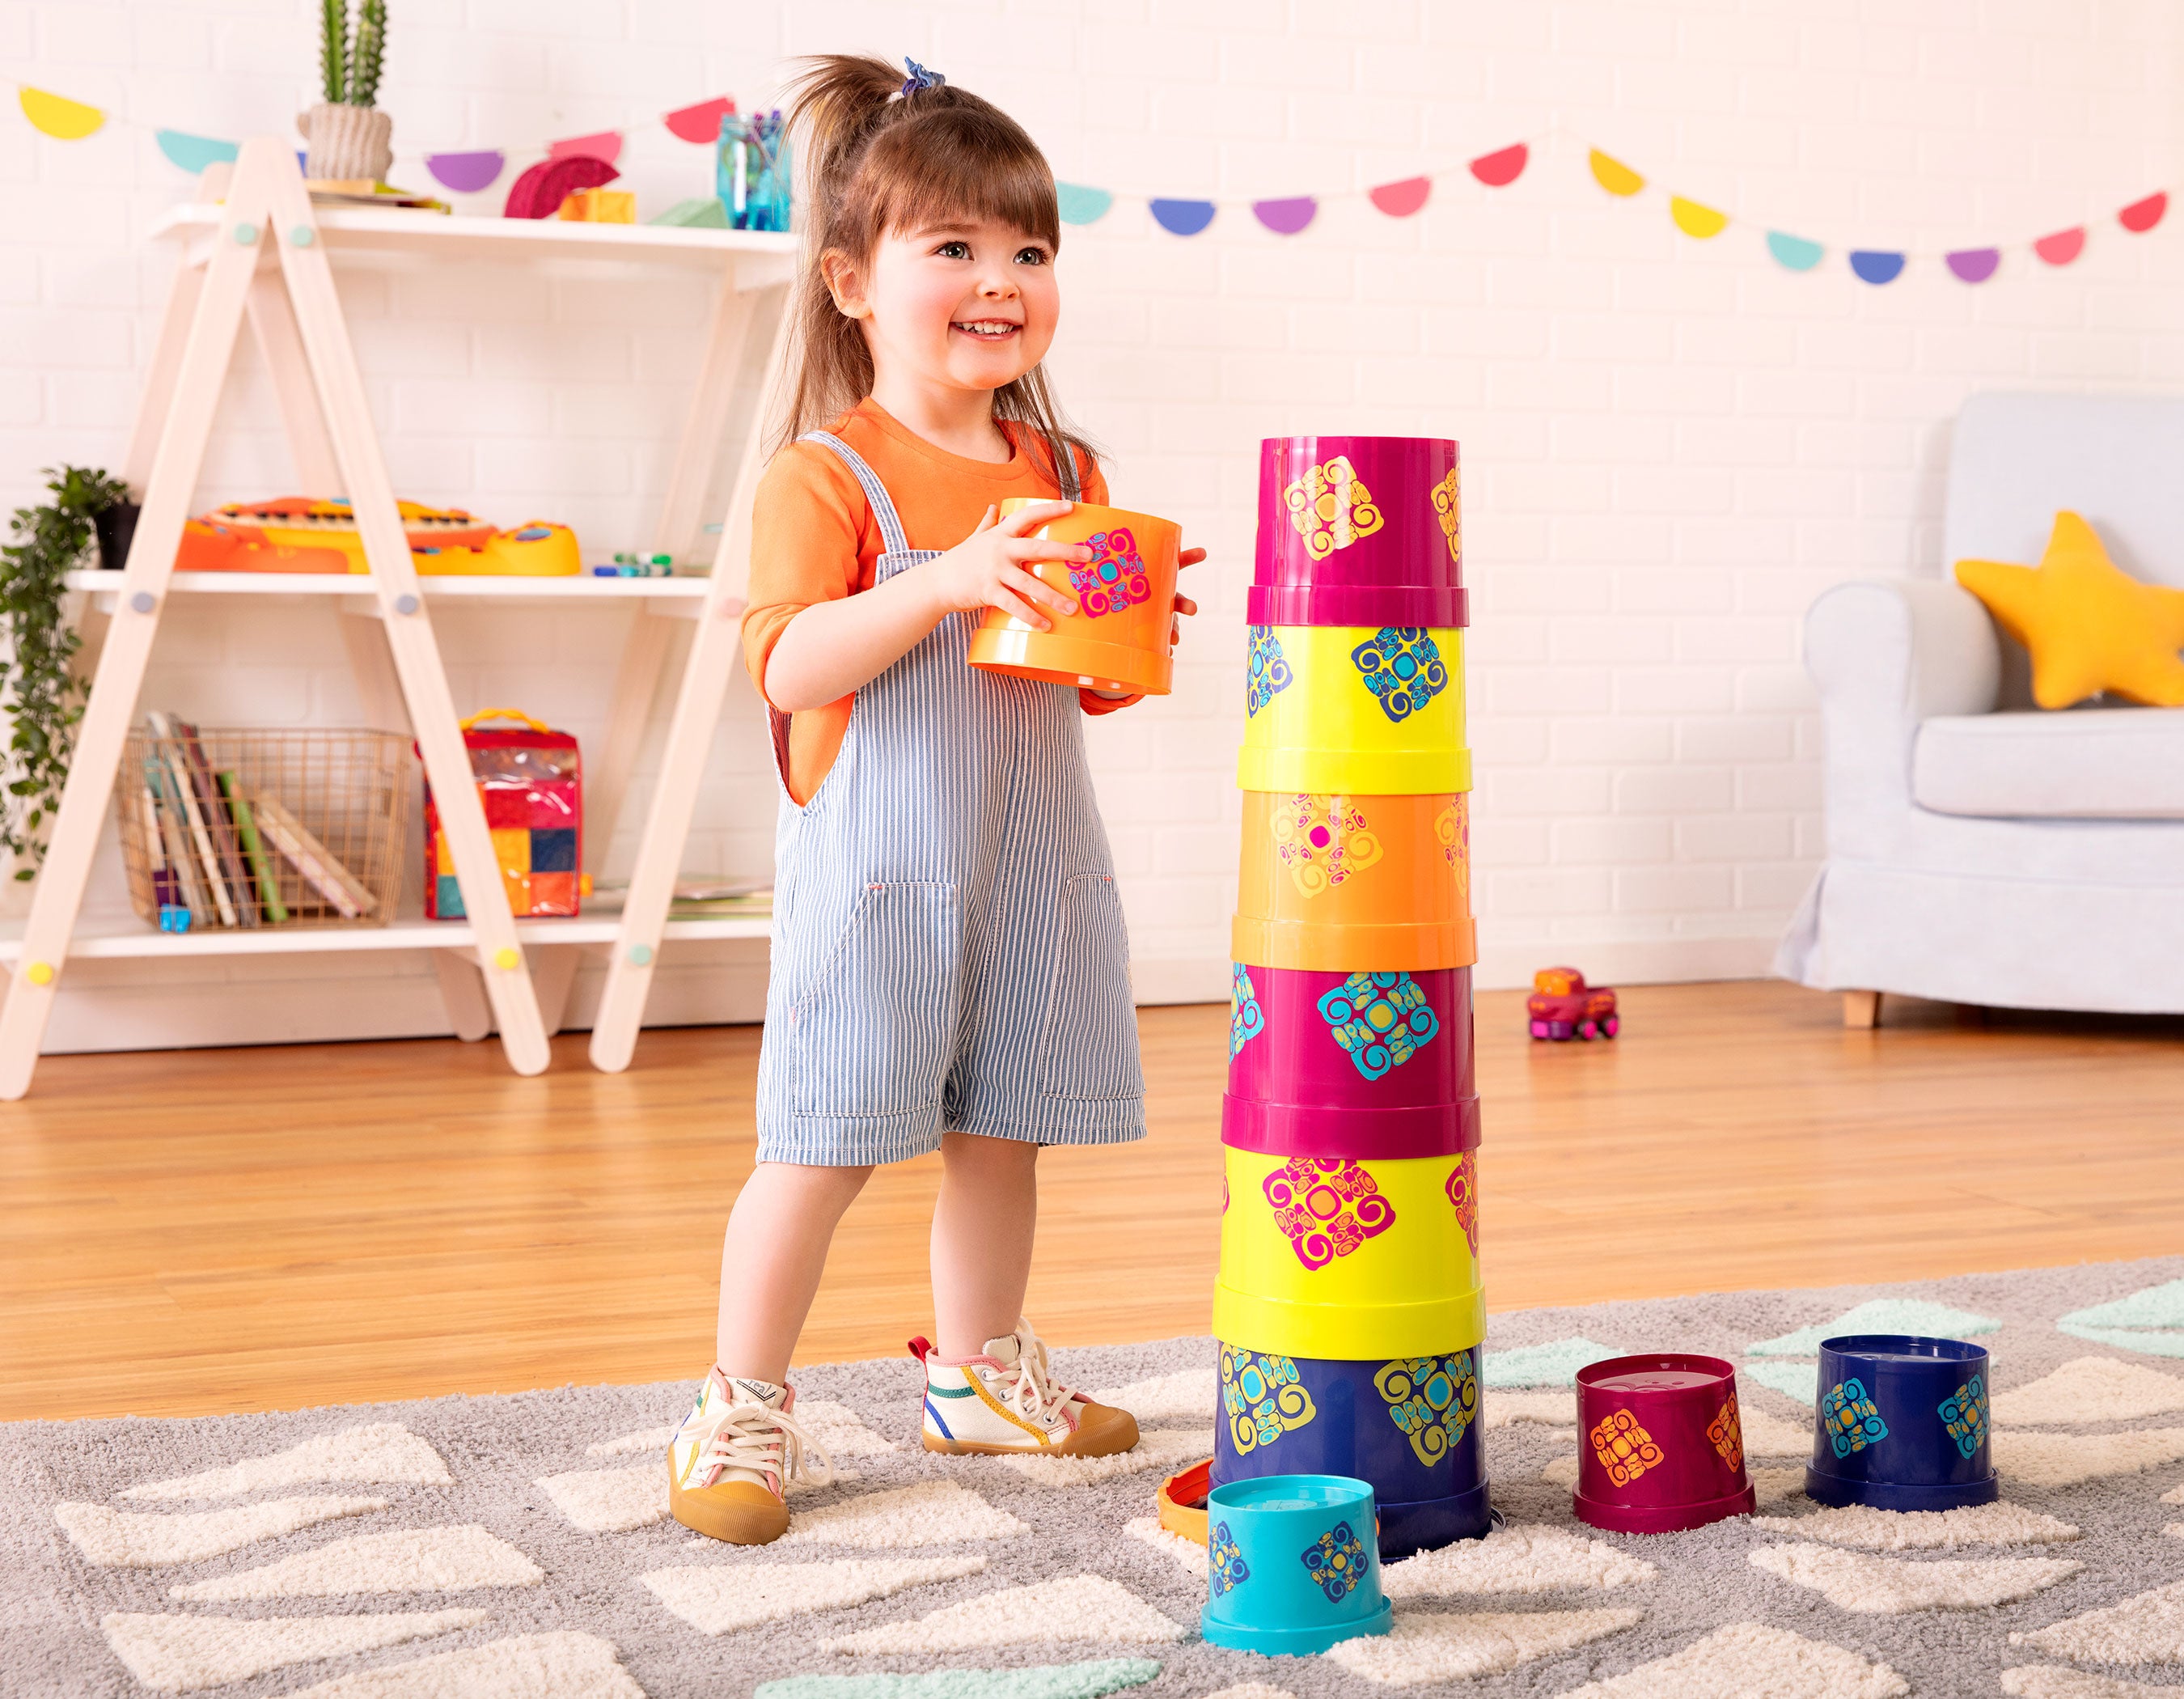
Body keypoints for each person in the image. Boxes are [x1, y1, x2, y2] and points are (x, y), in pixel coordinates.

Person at [667, 53, 1202, 1546]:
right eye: (953, 247)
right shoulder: (825, 475)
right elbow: (786, 668)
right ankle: (740, 1400)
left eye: (1029, 250)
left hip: (1029, 864)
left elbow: (1074, 682)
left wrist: (1133, 632)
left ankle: (975, 1377)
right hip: (883, 872)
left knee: (1004, 1130)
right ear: (853, 281)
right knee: (825, 1141)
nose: (1000, 279)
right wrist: (953, 580)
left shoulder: (1066, 461)